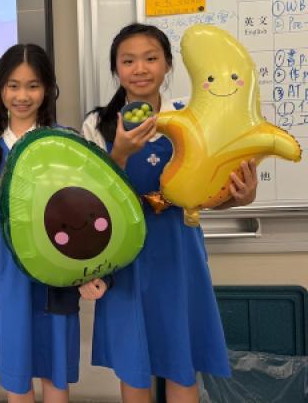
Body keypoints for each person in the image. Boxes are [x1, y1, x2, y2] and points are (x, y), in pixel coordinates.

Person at [82, 23, 258, 403]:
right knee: (134, 368)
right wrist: (120, 154)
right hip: (124, 253)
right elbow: (93, 201)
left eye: (150, 58)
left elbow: (209, 193)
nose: (140, 69)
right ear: (115, 68)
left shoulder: (191, 116)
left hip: (179, 250)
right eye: (128, 61)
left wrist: (239, 198)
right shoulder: (97, 124)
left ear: (168, 64)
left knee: (182, 362)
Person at [0, 44, 106, 403]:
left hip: (54, 269)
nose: (22, 96)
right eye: (13, 86)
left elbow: (84, 211)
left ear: (48, 89)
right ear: (0, 88)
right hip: (4, 273)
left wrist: (86, 271)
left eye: (33, 86)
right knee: (17, 375)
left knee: (54, 369)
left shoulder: (65, 141)